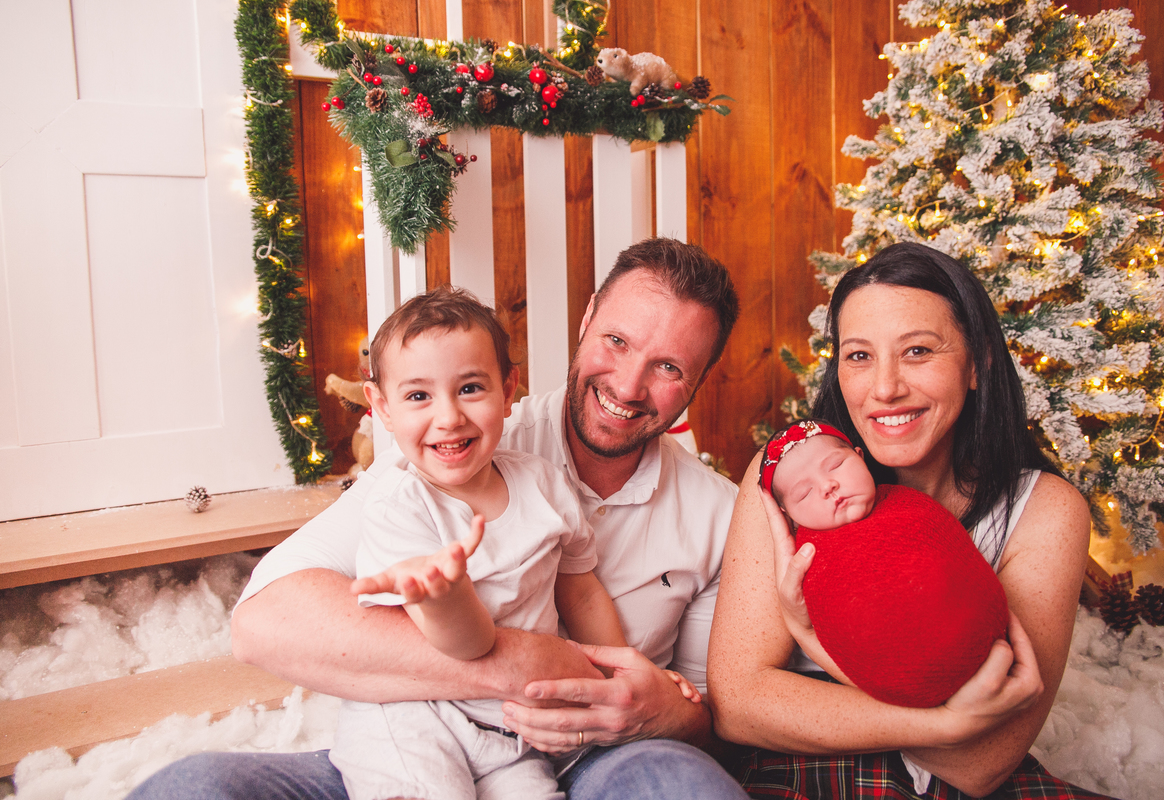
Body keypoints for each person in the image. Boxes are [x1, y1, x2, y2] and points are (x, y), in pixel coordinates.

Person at [127, 238, 748, 800]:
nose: (630, 384)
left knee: (684, 784)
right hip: (417, 732)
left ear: (698, 380)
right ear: (586, 320)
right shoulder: (451, 450)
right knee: (190, 787)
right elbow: (264, 624)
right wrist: (531, 664)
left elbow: (714, 716)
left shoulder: (719, 514)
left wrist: (665, 712)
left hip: (587, 763)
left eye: (669, 367)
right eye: (617, 341)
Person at [707, 242, 1111, 799]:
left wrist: (811, 643)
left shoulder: (1046, 510)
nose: (885, 388)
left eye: (918, 350)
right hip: (806, 775)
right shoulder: (791, 476)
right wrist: (946, 724)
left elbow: (981, 762)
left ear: (978, 363)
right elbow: (740, 706)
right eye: (859, 356)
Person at [333, 286, 651, 800]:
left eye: (470, 389)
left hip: (512, 734)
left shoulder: (543, 485)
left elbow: (581, 591)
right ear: (381, 407)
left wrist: (621, 675)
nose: (449, 417)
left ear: (509, 390)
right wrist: (444, 594)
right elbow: (469, 646)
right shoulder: (399, 506)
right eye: (418, 396)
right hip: (415, 714)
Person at [758, 419, 1008, 711]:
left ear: (859, 457)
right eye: (804, 493)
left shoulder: (910, 505)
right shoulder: (808, 556)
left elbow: (955, 554)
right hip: (874, 691)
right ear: (788, 514)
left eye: (836, 465)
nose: (827, 486)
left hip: (978, 640)